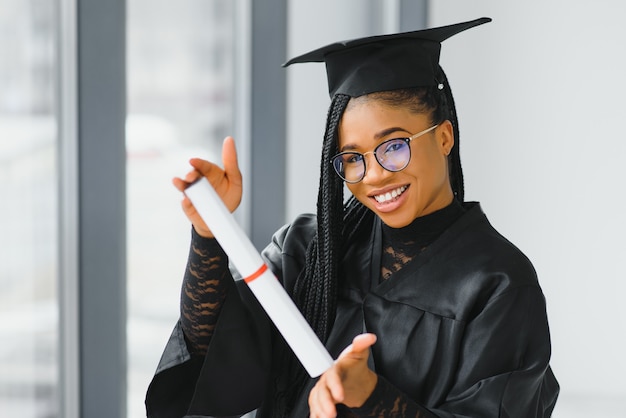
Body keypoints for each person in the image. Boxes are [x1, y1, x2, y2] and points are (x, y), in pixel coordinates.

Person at [145, 17, 559, 418]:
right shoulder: (307, 249)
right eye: (352, 158)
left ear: (444, 136)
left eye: (394, 146)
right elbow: (211, 345)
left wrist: (372, 399)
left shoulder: (499, 284)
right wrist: (209, 232)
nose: (375, 175)